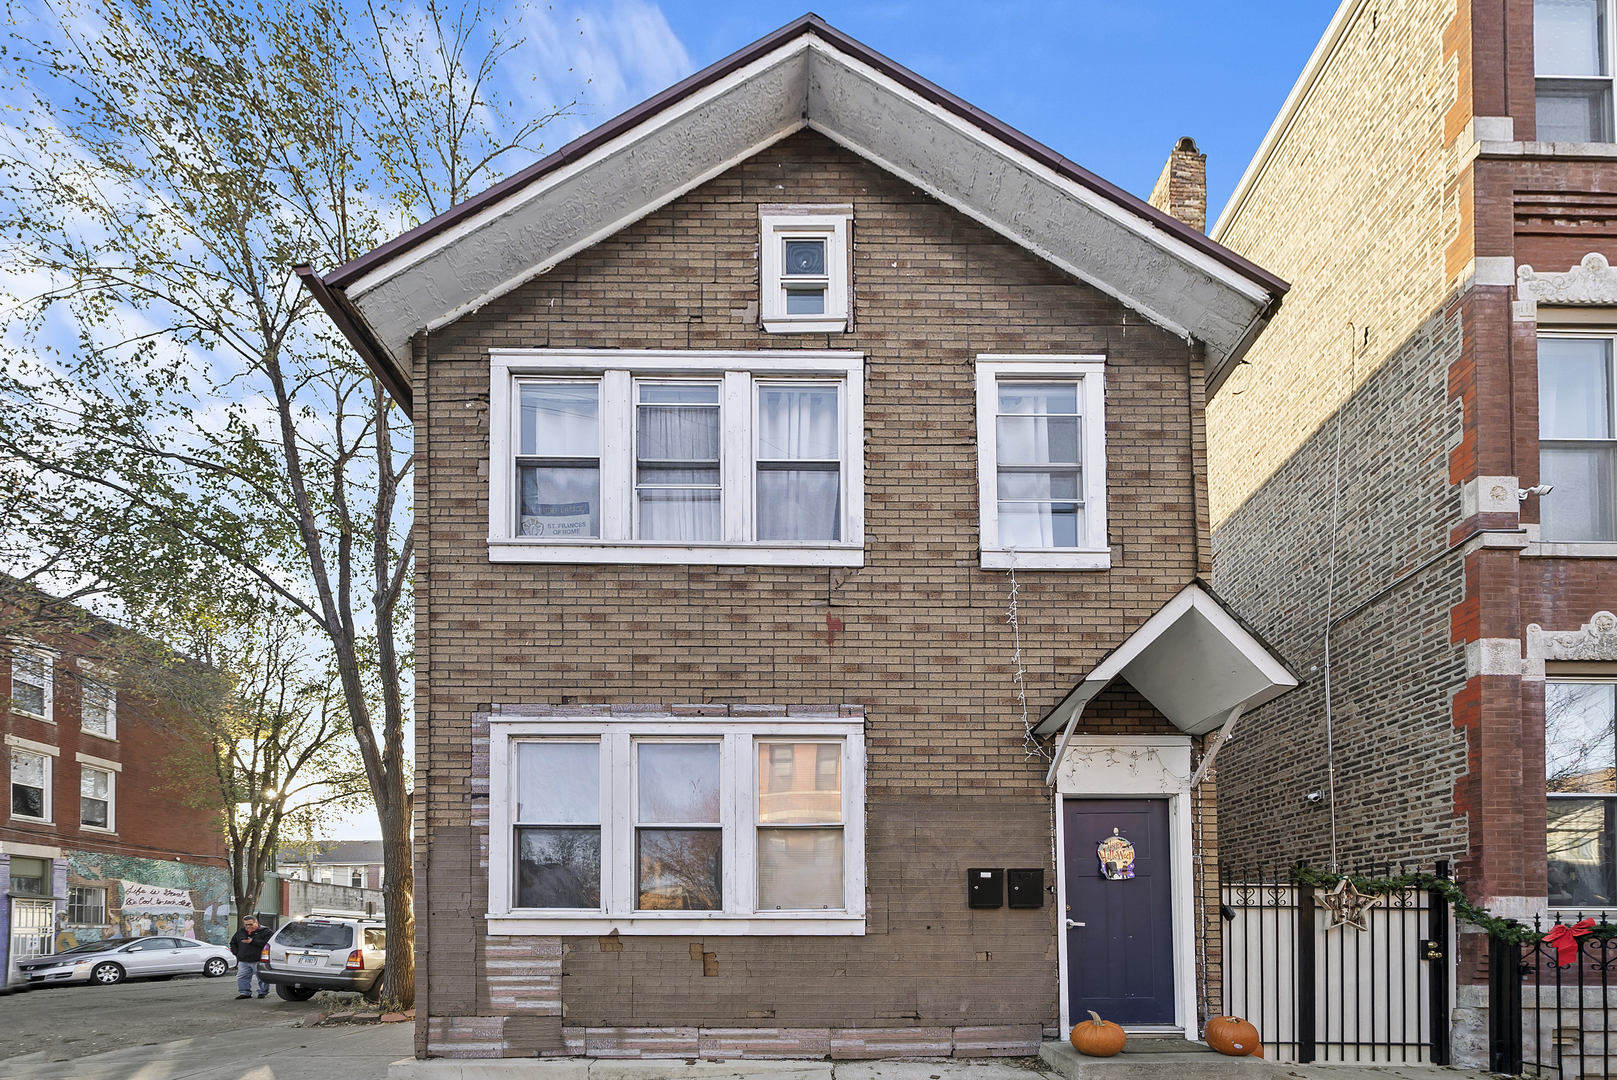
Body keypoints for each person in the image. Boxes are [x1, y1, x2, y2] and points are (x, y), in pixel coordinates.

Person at [229, 915, 272, 999]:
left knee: (261, 977)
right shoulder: (240, 932)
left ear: (256, 923)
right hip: (243, 959)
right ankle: (245, 992)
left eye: (250, 924)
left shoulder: (266, 932)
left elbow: (268, 943)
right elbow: (233, 942)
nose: (248, 927)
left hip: (259, 959)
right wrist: (237, 953)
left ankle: (263, 992)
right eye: (246, 925)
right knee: (242, 977)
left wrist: (253, 941)